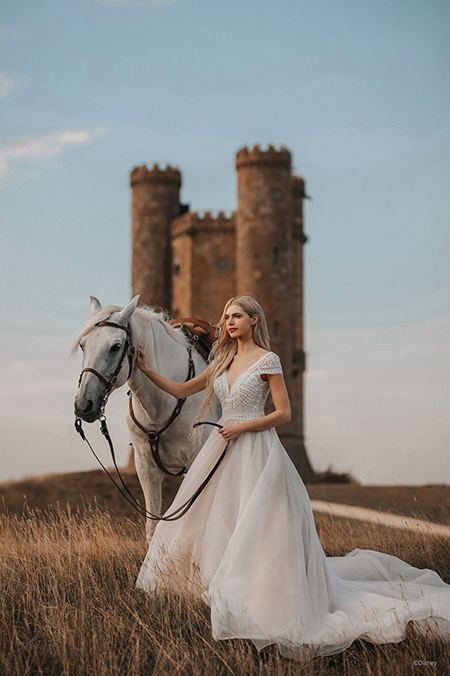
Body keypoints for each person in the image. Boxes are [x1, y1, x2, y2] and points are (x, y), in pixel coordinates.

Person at [134, 295, 450, 663]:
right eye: (225, 316)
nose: (228, 321)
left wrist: (244, 426)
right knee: (209, 519)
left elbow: (283, 413)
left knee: (262, 523)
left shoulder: (268, 361)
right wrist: (146, 370)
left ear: (254, 320)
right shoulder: (221, 360)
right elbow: (181, 390)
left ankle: (261, 591)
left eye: (236, 315)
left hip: (256, 449)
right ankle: (214, 583)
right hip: (222, 450)